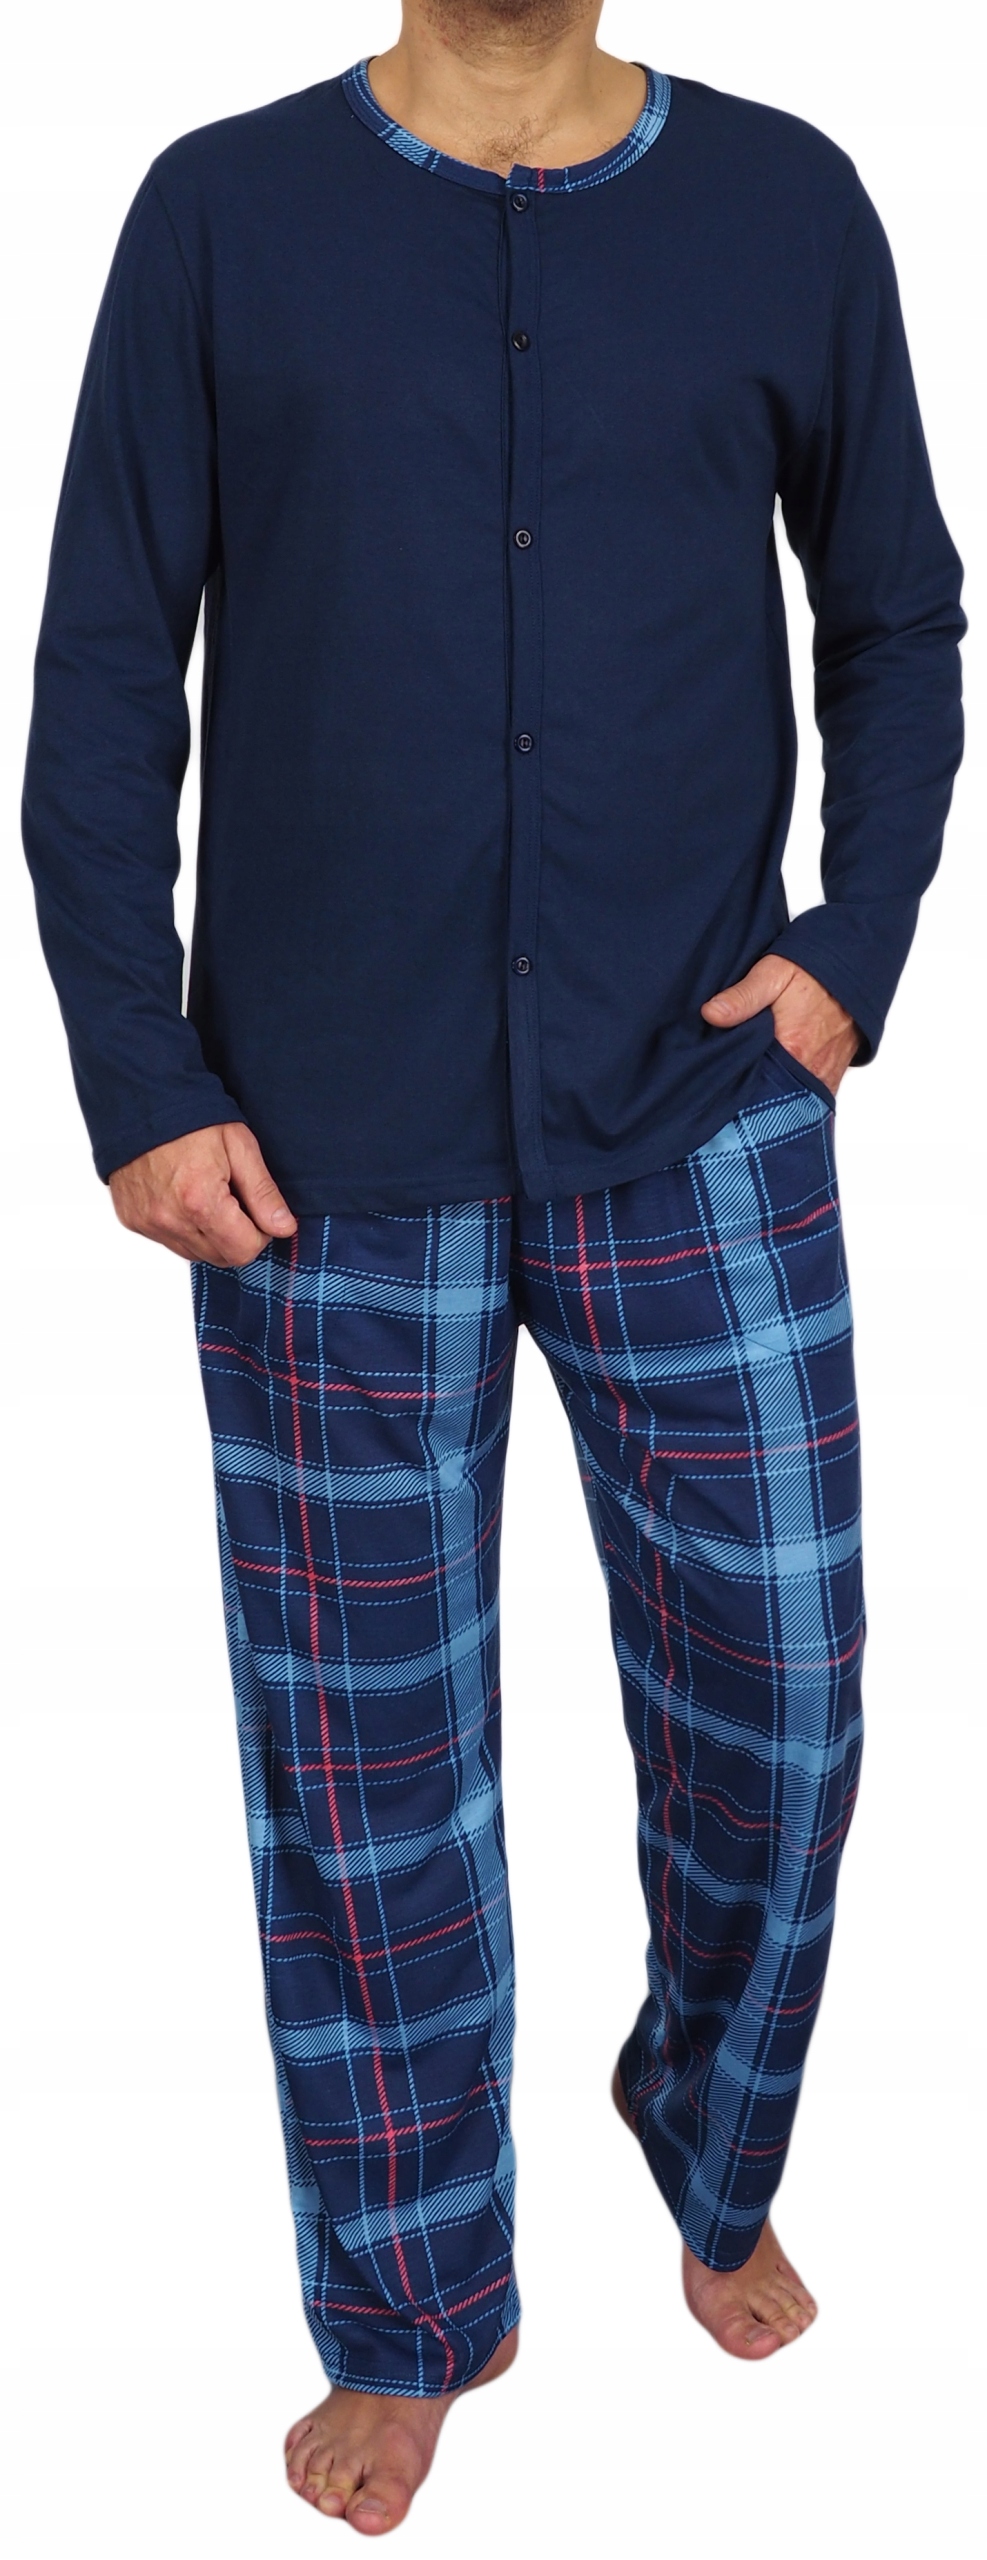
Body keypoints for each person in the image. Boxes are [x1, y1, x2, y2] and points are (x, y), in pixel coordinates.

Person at [22, 0, 964, 2535]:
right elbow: (102, 665)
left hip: (698, 1110)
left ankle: (711, 2128)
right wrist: (137, 1071)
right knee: (366, 1778)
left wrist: (849, 948)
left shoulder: (786, 199)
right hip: (315, 1142)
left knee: (786, 1699)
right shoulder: (219, 214)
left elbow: (895, 616)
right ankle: (417, 2305)